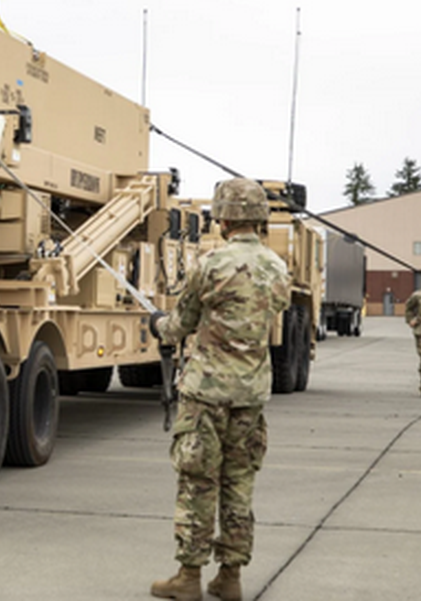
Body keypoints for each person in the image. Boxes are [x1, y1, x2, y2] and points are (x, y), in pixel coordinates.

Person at [148, 178, 290, 601]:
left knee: (197, 482)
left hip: (206, 395)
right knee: (239, 483)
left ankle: (188, 577)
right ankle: (230, 578)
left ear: (223, 218)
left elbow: (180, 325)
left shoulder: (211, 265)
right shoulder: (277, 268)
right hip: (250, 395)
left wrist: (158, 323)